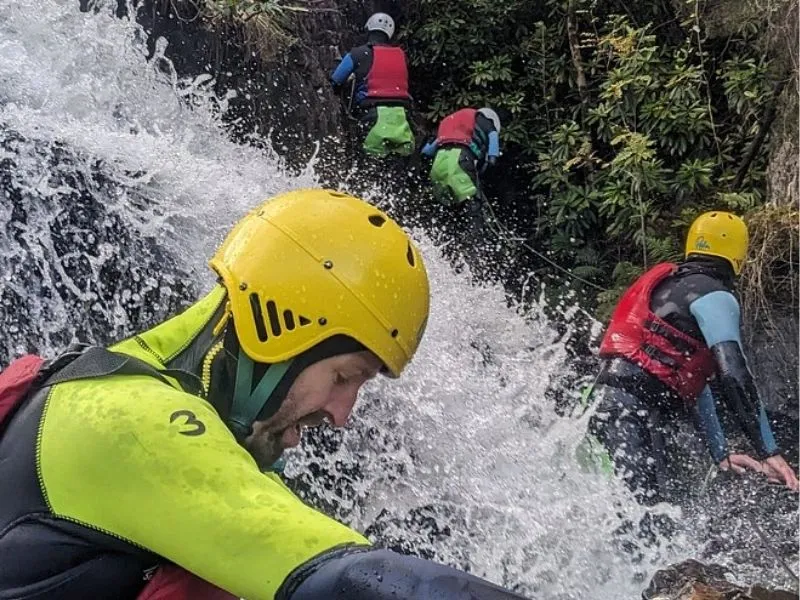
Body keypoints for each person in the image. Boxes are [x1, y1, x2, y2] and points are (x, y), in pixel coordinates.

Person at [0, 189, 532, 600]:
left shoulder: (110, 382)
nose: (342, 414)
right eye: (347, 376)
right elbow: (344, 581)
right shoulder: (132, 424)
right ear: (279, 334)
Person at [583, 211, 799, 505]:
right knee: (645, 520)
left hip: (600, 408)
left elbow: (693, 381)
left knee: (640, 513)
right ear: (738, 253)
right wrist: (769, 451)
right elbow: (734, 374)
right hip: (630, 416)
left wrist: (720, 452)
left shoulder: (668, 287)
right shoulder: (716, 296)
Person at [330, 13, 415, 157]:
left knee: (364, 161)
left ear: (368, 28)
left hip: (371, 114)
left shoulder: (357, 53)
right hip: (402, 116)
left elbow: (336, 79)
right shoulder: (401, 56)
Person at [420, 107, 501, 238]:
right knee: (473, 207)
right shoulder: (483, 118)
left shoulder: (451, 124)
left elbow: (426, 152)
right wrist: (492, 158)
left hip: (439, 162)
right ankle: (475, 249)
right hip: (460, 158)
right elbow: (492, 136)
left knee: (446, 211)